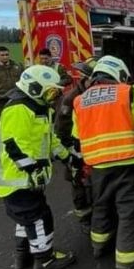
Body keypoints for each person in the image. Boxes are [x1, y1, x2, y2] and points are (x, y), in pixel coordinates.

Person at [72, 56, 134, 269]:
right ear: (118, 74)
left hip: (97, 167)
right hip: (127, 163)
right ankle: (128, 262)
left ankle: (99, 246)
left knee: (101, 206)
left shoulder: (80, 100)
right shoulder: (128, 92)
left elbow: (76, 140)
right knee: (129, 212)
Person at [0, 65, 78, 269]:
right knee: (39, 217)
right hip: (19, 180)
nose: (53, 96)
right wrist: (33, 170)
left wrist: (68, 156)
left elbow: (49, 140)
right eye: (50, 91)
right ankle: (44, 259)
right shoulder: (18, 108)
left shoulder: (38, 108)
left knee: (26, 218)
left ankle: (22, 255)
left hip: (25, 180)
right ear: (33, 88)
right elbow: (14, 146)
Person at [54, 58, 97, 230]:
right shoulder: (71, 98)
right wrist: (70, 155)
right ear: (85, 79)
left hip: (94, 149)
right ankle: (85, 219)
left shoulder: (95, 94)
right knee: (79, 184)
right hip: (76, 150)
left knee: (95, 185)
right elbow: (61, 130)